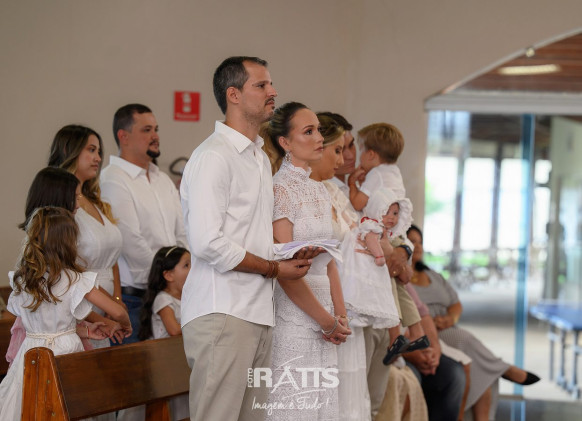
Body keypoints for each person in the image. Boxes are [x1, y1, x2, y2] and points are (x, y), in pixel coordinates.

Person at [180, 57, 320, 421]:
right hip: (222, 310)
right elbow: (207, 243)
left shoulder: (257, 157)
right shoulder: (213, 156)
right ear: (234, 95)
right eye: (261, 85)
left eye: (271, 84)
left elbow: (251, 236)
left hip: (257, 310)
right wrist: (274, 268)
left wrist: (288, 255)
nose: (273, 92)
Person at [0, 207, 131, 420]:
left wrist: (85, 331)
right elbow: (116, 311)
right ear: (69, 242)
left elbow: (45, 330)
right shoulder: (74, 279)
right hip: (66, 352)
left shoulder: (23, 279)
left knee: (32, 405)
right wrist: (125, 323)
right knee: (67, 407)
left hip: (31, 350)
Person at [264, 101, 351, 420]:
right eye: (309, 131)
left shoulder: (321, 190)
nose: (319, 138)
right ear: (285, 142)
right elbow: (286, 270)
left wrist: (340, 315)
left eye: (318, 131)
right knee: (296, 407)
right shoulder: (279, 189)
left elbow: (330, 263)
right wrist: (325, 320)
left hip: (326, 312)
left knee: (322, 409)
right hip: (296, 314)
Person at [407, 225, 540, 421]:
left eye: (420, 242)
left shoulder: (433, 275)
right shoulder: (402, 279)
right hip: (427, 332)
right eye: (412, 241)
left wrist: (450, 319)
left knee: (483, 371)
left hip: (447, 327)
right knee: (464, 339)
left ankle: (487, 408)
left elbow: (456, 304)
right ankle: (505, 369)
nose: (417, 246)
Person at [101, 103, 187, 344]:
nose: (155, 136)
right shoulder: (113, 179)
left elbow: (182, 232)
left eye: (156, 129)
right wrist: (169, 276)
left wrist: (181, 273)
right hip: (136, 299)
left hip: (173, 293)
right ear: (124, 136)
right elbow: (130, 241)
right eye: (147, 130)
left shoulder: (162, 179)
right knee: (135, 369)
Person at [310, 112, 371, 421]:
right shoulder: (300, 190)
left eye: (348, 147)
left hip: (345, 300)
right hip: (317, 300)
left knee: (349, 394)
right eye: (338, 148)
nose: (344, 157)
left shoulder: (335, 190)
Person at [48, 124, 124, 352]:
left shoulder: (95, 201)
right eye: (91, 150)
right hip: (80, 306)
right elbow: (64, 269)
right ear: (69, 151)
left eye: (99, 151)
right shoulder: (61, 206)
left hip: (107, 306)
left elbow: (112, 259)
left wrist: (116, 301)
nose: (98, 158)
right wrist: (107, 310)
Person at [130, 246, 191, 421]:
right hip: (165, 362)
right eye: (186, 265)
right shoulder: (163, 298)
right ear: (168, 275)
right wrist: (200, 325)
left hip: (181, 360)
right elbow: (173, 329)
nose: (192, 270)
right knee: (173, 408)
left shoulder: (189, 297)